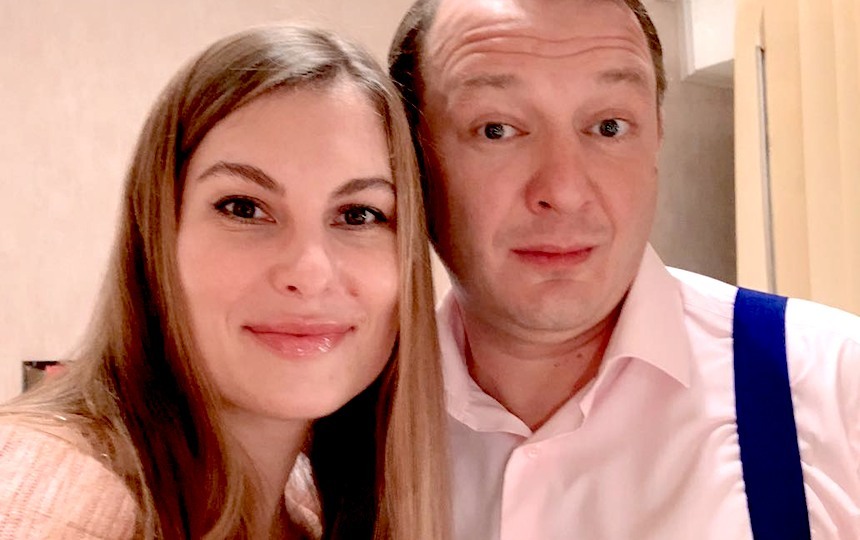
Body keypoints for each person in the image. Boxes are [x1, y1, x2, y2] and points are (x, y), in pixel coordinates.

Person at [388, 0, 860, 539]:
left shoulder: (839, 391)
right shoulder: (341, 435)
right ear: (410, 157)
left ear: (656, 138)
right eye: (496, 129)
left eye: (609, 127)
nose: (564, 190)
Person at [0, 23, 449, 540]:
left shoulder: (310, 513)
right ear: (156, 237)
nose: (309, 272)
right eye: (244, 208)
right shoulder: (55, 491)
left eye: (358, 215)